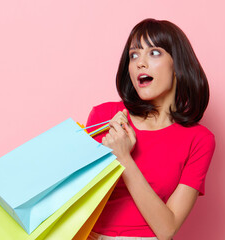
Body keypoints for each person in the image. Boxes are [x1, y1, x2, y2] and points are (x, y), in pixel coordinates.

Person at [86, 18, 215, 240]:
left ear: (178, 65)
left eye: (154, 53)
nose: (140, 63)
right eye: (134, 55)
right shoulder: (104, 118)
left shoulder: (199, 139)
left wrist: (124, 158)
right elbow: (77, 198)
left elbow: (167, 229)